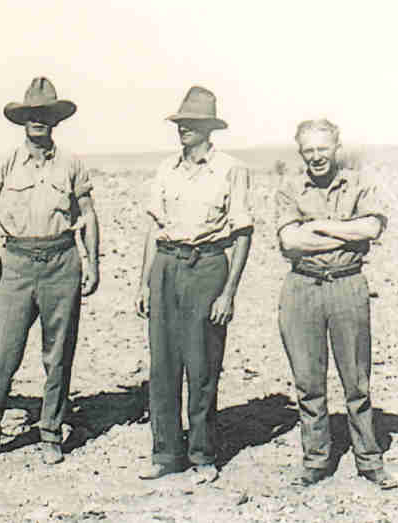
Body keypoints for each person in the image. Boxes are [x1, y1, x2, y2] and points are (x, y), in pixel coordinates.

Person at [0, 77, 99, 465]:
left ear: (55, 120)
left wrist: (93, 263)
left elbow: (89, 214)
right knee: (1, 355)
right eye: (31, 114)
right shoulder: (6, 163)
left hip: (62, 262)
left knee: (58, 356)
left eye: (45, 114)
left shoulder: (72, 164)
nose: (38, 120)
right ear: (22, 120)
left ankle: (51, 433)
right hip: (17, 266)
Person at [134, 86, 253, 484]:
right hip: (166, 265)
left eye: (192, 123)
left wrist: (228, 292)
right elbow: (154, 229)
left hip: (207, 267)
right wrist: (144, 283)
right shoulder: (166, 169)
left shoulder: (231, 169)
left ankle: (203, 454)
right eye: (181, 122)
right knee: (163, 365)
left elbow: (242, 233)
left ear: (209, 128)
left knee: (202, 365)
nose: (183, 128)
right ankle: (166, 453)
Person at [275, 119, 397, 489]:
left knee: (356, 381)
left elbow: (372, 228)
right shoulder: (289, 188)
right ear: (301, 152)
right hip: (302, 288)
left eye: (322, 148)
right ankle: (316, 460)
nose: (316, 157)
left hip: (347, 286)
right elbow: (290, 241)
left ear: (336, 148)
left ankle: (369, 459)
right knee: (308, 382)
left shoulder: (359, 184)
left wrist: (316, 226)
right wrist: (346, 231)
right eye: (309, 150)